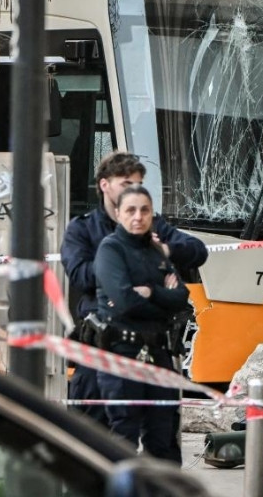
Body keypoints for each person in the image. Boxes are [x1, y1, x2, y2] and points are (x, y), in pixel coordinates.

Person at [61, 151, 207, 430]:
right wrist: (129, 267)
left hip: (152, 347)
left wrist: (165, 250)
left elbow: (196, 251)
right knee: (92, 436)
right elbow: (81, 277)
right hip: (103, 349)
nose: (135, 191)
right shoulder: (83, 230)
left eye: (139, 184)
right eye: (127, 184)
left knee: (161, 439)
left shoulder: (153, 224)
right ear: (105, 185)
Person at [93, 185, 190, 463]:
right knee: (123, 438)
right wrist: (163, 296)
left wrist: (150, 292)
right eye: (131, 210)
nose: (138, 216)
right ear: (119, 214)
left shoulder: (156, 251)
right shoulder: (110, 250)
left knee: (163, 438)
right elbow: (126, 301)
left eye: (144, 210)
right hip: (122, 354)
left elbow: (182, 298)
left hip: (159, 354)